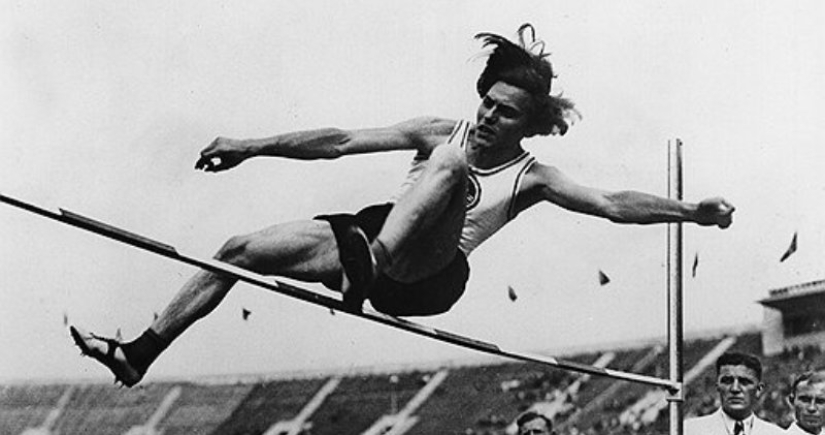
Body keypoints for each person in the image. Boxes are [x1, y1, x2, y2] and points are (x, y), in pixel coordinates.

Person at [70, 24, 735, 387]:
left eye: (504, 115)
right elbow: (339, 141)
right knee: (238, 251)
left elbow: (612, 203)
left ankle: (371, 263)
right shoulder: (440, 126)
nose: (487, 119)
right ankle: (140, 353)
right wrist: (251, 145)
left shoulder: (531, 175)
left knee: (449, 165)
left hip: (428, 274)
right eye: (486, 104)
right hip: (371, 240)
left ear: (527, 124)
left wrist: (690, 211)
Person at [685, 352, 785, 435]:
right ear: (718, 387)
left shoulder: (776, 433)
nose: (735, 389)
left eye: (744, 382)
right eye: (727, 381)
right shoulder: (689, 430)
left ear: (759, 389)